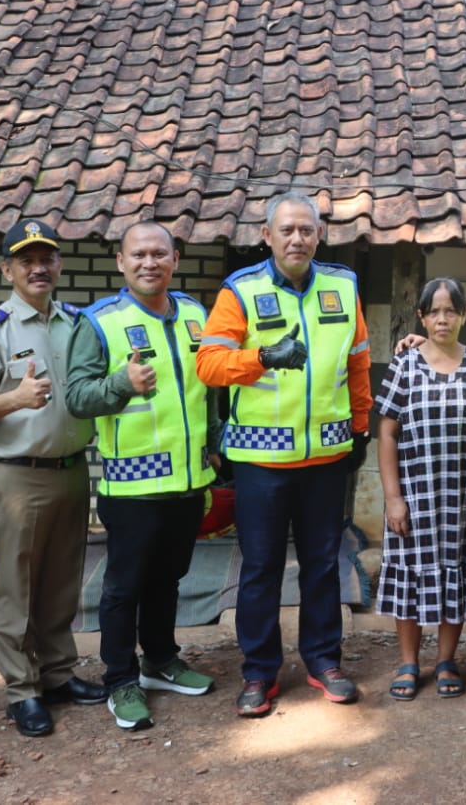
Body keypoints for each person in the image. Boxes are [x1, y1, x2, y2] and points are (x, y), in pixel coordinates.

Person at [196, 192, 372, 716]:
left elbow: (358, 361)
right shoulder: (240, 291)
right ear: (266, 236)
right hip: (260, 463)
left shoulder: (343, 284)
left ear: (320, 235)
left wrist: (360, 427)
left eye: (307, 230)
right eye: (287, 230)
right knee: (261, 569)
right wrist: (262, 359)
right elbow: (209, 364)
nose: (297, 238)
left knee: (323, 565)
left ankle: (323, 661)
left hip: (326, 459)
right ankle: (259, 673)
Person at [65, 221, 219, 732]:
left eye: (159, 253)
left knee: (168, 579)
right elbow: (77, 396)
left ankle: (159, 659)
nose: (149, 262)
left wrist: (216, 443)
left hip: (188, 480)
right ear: (121, 262)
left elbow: (209, 390)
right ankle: (119, 679)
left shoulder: (197, 315)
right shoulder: (100, 322)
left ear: (175, 259)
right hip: (132, 484)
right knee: (123, 587)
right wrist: (120, 383)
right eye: (139, 255)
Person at [0, 220, 103, 738]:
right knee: (15, 588)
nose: (39, 268)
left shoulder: (75, 322)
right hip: (18, 474)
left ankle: (59, 675)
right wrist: (16, 399)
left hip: (70, 469)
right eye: (26, 260)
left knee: (62, 582)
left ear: (59, 265)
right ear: (8, 271)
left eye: (47, 258)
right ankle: (22, 690)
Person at [373, 277, 466, 700]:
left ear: (464, 315)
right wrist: (393, 497)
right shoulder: (405, 364)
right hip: (414, 494)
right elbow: (387, 432)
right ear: (422, 317)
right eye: (435, 312)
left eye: (451, 311)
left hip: (463, 496)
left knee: (458, 573)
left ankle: (447, 659)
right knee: (409, 575)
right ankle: (408, 662)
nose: (443, 319)